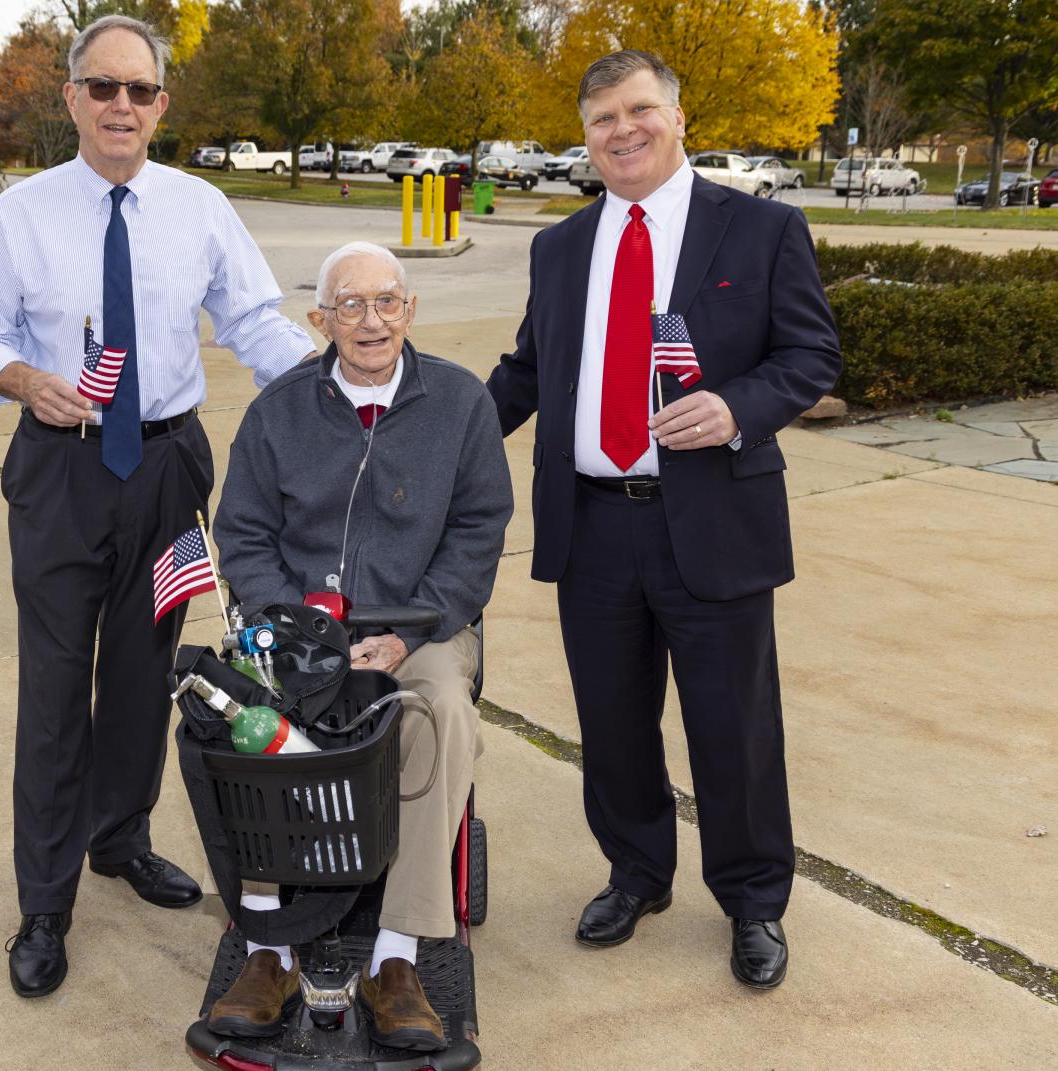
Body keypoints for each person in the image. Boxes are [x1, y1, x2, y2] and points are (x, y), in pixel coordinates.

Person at [0, 14, 315, 999]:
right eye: (101, 87)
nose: (120, 105)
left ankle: (121, 839)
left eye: (139, 91)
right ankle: (45, 899)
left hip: (165, 472)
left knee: (149, 664)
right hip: (62, 474)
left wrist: (337, 395)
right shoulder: (23, 214)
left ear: (161, 105)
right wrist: (26, 379)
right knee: (58, 684)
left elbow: (251, 320)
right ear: (71, 97)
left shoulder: (198, 206)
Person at [485, 50, 841, 990]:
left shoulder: (761, 229)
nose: (622, 131)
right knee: (611, 722)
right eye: (602, 118)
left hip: (713, 518)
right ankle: (637, 871)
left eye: (639, 110)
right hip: (592, 522)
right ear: (586, 137)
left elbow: (811, 352)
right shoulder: (559, 247)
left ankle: (755, 899)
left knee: (734, 724)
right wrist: (437, 428)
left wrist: (739, 407)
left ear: (678, 118)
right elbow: (529, 369)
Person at [210, 242, 513, 1051]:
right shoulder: (278, 410)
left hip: (420, 626)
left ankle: (397, 955)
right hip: (301, 631)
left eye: (387, 302)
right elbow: (240, 532)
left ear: (410, 310)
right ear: (321, 319)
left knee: (440, 703)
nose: (370, 320)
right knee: (243, 714)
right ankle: (270, 946)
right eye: (350, 304)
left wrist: (410, 628)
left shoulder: (460, 402)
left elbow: (480, 529)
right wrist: (302, 634)